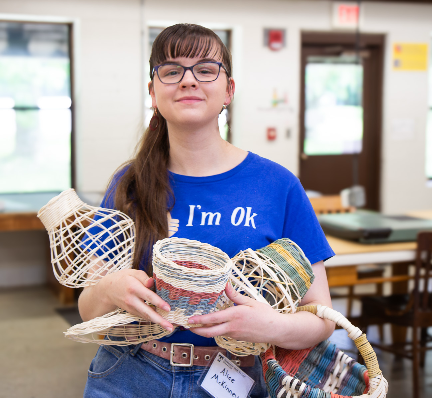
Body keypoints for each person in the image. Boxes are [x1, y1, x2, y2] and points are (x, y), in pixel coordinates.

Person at [79, 23, 335, 398]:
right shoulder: (129, 183)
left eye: (205, 69)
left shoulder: (277, 185)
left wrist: (271, 327)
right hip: (129, 373)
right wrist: (109, 289)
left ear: (228, 90)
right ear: (153, 92)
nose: (188, 80)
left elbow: (322, 317)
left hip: (238, 378)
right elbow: (88, 309)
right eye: (171, 71)